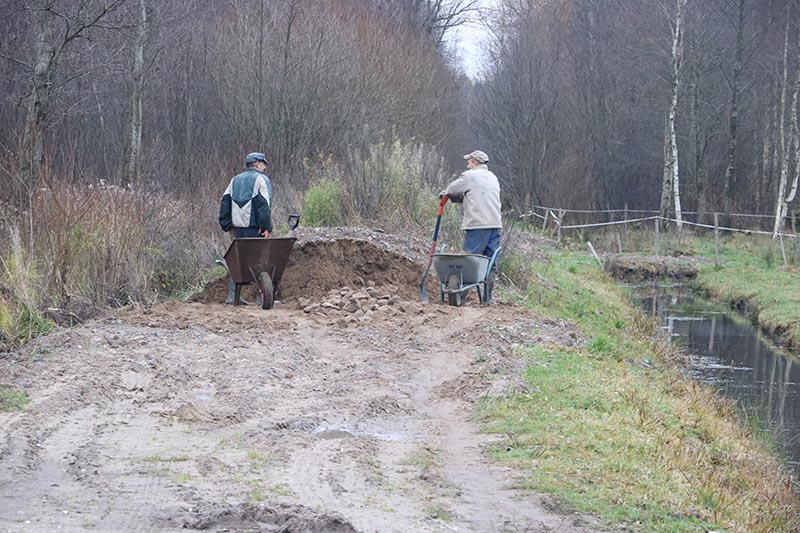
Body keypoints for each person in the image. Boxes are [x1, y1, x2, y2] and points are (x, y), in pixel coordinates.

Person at [219, 151, 273, 305]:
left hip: (238, 229)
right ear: (256, 164)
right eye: (263, 164)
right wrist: (266, 226)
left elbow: (225, 203)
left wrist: (227, 225)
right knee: (262, 261)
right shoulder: (261, 179)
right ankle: (261, 297)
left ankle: (232, 296)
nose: (264, 167)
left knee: (239, 261)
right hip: (256, 228)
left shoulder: (234, 180)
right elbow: (264, 205)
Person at [439, 149, 502, 261]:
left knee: (470, 261)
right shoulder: (493, 177)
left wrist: (445, 194)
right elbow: (479, 197)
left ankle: (467, 279)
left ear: (475, 163)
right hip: (495, 225)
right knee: (490, 262)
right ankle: (489, 279)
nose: (468, 166)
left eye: (469, 163)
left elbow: (452, 189)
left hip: (478, 225)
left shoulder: (470, 176)